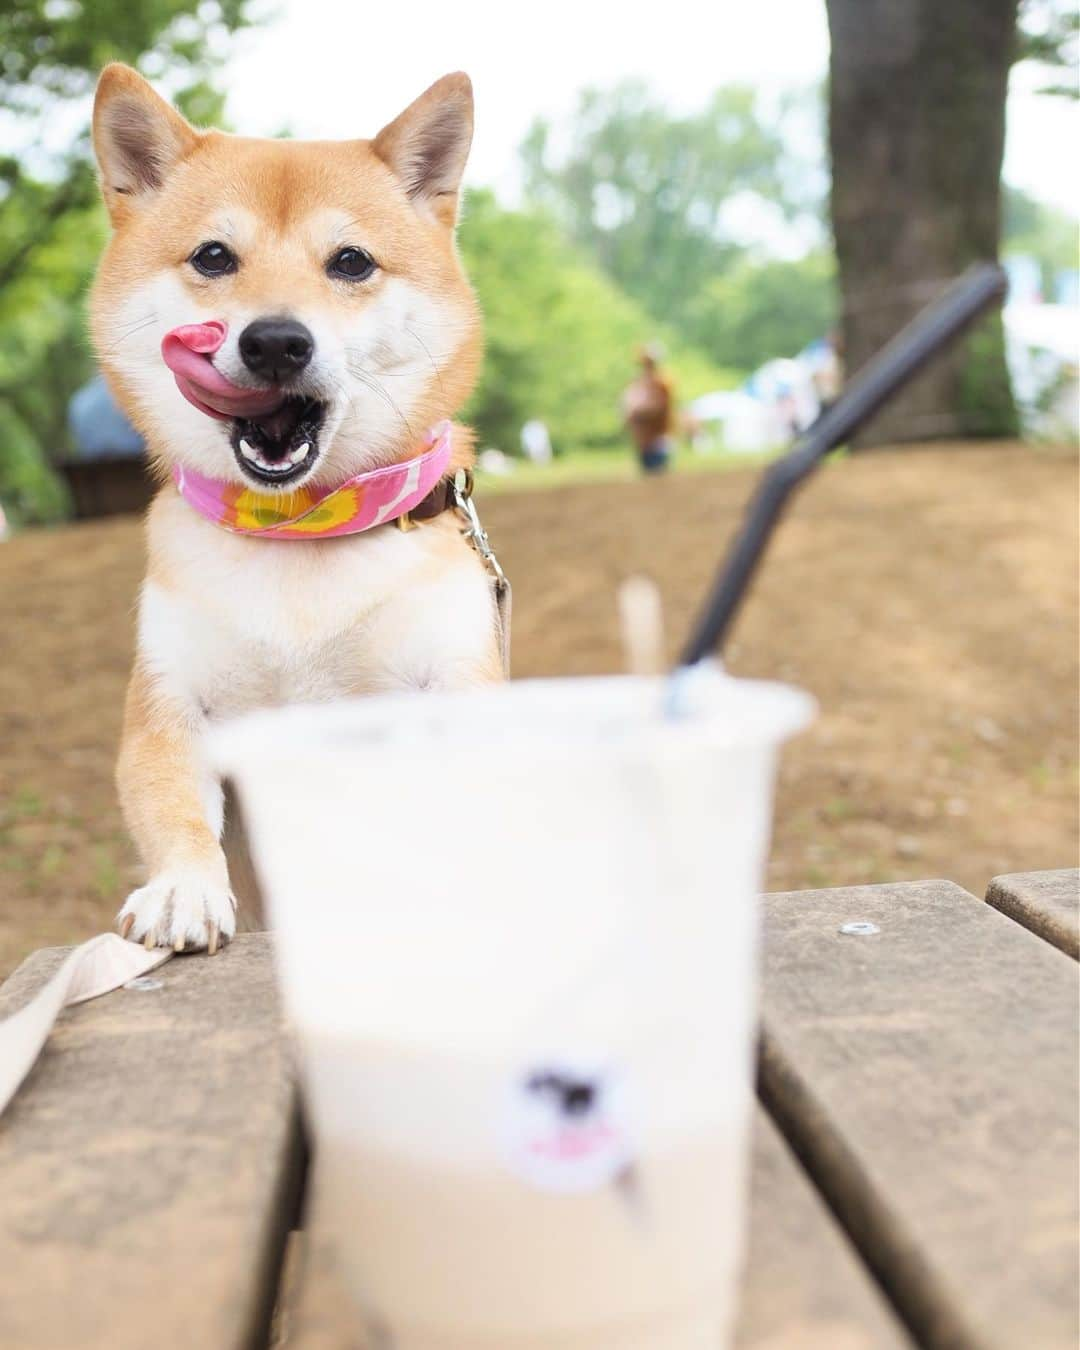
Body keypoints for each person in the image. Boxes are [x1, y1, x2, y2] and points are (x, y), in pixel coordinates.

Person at [622, 344, 674, 474]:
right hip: (642, 439)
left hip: (658, 439)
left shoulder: (661, 382)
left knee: (658, 477)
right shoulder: (637, 382)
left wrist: (640, 411)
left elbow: (660, 407)